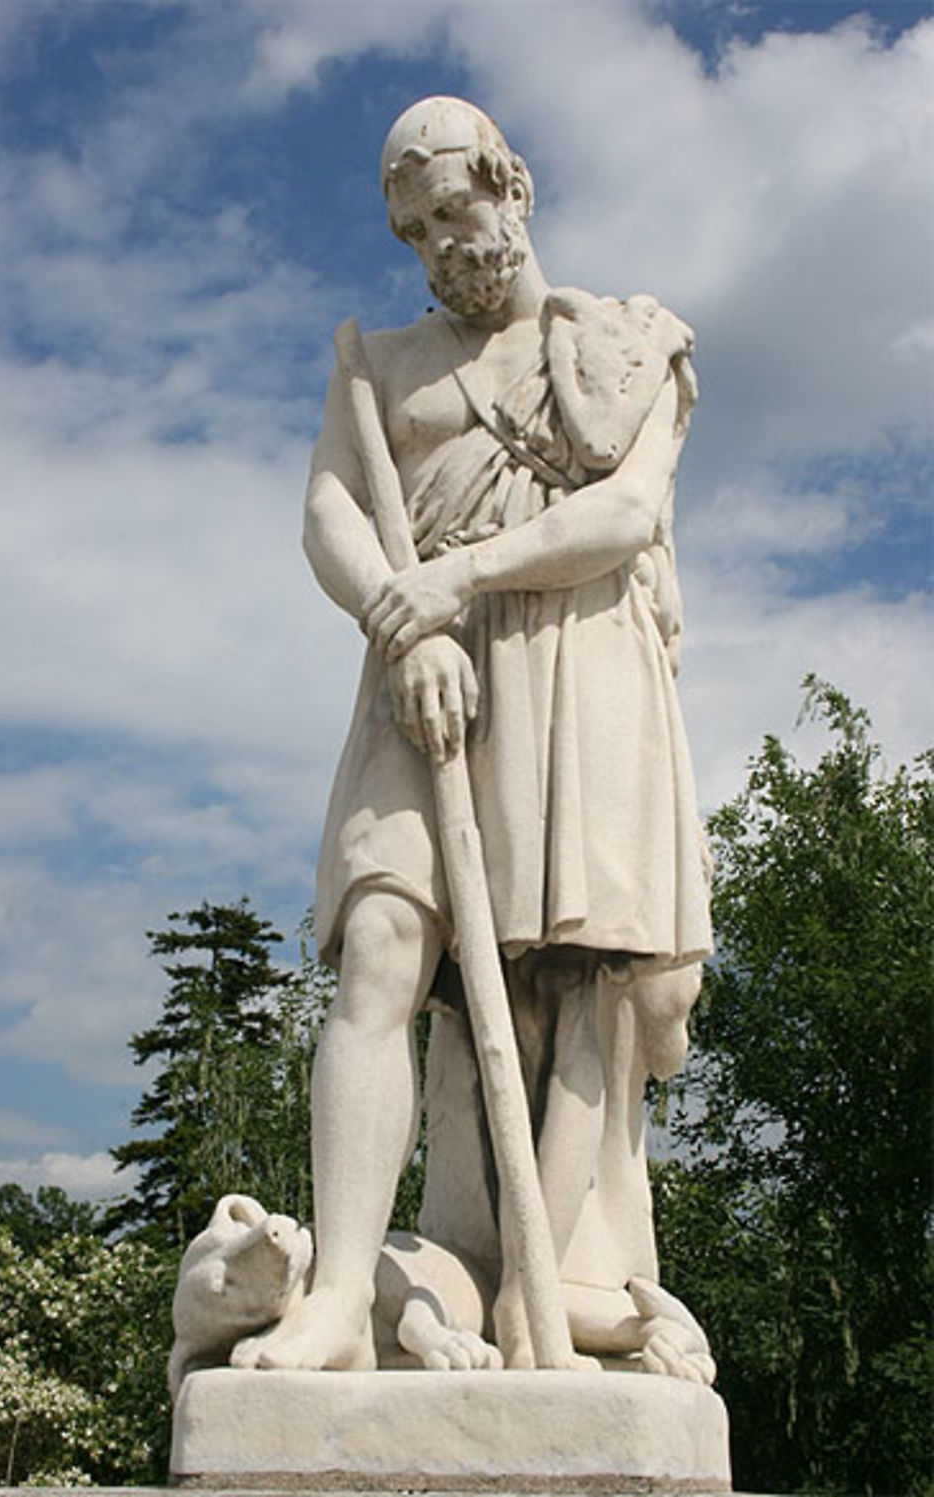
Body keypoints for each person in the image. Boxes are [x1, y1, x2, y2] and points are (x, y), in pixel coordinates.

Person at [233, 96, 712, 1373]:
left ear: (516, 186)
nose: (446, 244)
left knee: (573, 984)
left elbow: (622, 513)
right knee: (383, 944)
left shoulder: (628, 342)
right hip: (422, 675)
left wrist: (459, 581)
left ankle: (547, 1285)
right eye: (418, 230)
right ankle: (341, 1296)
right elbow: (332, 514)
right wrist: (409, 627)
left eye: (459, 208)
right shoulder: (379, 367)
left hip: (573, 669)